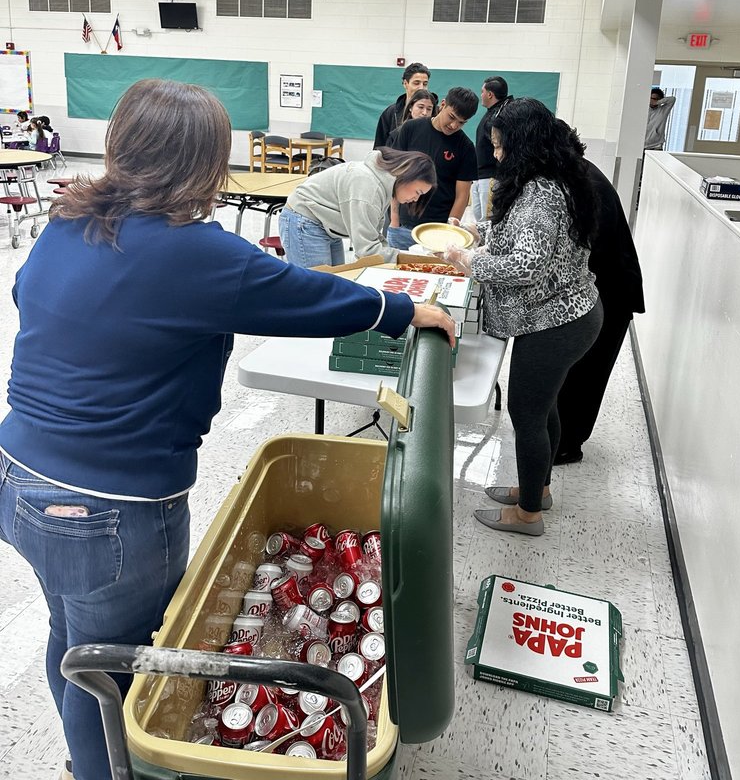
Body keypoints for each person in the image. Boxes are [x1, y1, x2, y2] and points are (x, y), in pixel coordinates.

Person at [0, 79, 454, 780]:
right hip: (109, 510)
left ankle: (79, 760)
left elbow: (23, 293)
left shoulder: (71, 218)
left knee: (75, 642)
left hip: (17, 475)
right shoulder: (197, 252)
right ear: (207, 164)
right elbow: (307, 295)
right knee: (118, 670)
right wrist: (402, 314)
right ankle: (97, 771)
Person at [442, 99, 602, 536]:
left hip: (557, 321)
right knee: (544, 406)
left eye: (499, 146)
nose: (495, 155)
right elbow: (523, 236)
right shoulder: (553, 179)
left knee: (526, 413)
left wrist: (466, 260)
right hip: (567, 315)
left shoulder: (541, 194)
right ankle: (539, 489)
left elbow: (524, 265)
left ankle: (528, 515)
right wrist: (481, 231)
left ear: (524, 144)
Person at [554, 159, 645, 464]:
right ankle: (560, 437)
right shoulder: (572, 173)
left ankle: (568, 444)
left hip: (611, 290)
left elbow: (582, 249)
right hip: (597, 286)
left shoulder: (585, 184)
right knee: (576, 368)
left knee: (588, 370)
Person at [280, 147, 437, 268]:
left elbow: (372, 236)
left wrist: (403, 257)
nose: (416, 198)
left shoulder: (383, 184)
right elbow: (366, 251)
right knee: (317, 292)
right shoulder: (369, 187)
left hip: (325, 225)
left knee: (336, 284)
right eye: (418, 192)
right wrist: (411, 260)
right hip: (304, 220)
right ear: (406, 175)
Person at [388, 87, 478, 250]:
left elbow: (462, 196)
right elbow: (395, 176)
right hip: (402, 226)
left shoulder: (465, 147)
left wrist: (449, 231)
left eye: (461, 122)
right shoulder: (410, 129)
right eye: (452, 117)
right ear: (443, 105)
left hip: (437, 231)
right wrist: (394, 219)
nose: (454, 125)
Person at [472, 76, 511, 224]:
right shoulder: (491, 112)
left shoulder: (500, 115)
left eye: (482, 92)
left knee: (487, 219)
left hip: (491, 175)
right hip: (479, 175)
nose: (480, 95)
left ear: (489, 94)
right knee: (479, 217)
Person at [373, 62, 431, 149]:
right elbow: (379, 147)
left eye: (425, 84)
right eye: (416, 83)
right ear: (405, 83)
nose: (421, 88)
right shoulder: (391, 113)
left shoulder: (435, 113)